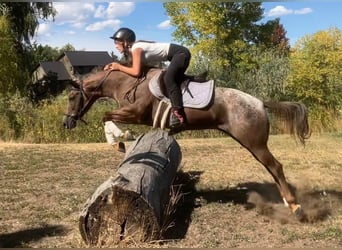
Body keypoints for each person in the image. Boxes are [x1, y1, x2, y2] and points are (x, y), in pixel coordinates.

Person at [104, 27, 191, 129]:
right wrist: (113, 67)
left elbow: (136, 72)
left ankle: (178, 112)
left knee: (169, 78)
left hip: (181, 54)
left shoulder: (137, 48)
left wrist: (118, 67)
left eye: (117, 42)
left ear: (125, 41)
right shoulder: (133, 51)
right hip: (175, 56)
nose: (115, 46)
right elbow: (132, 70)